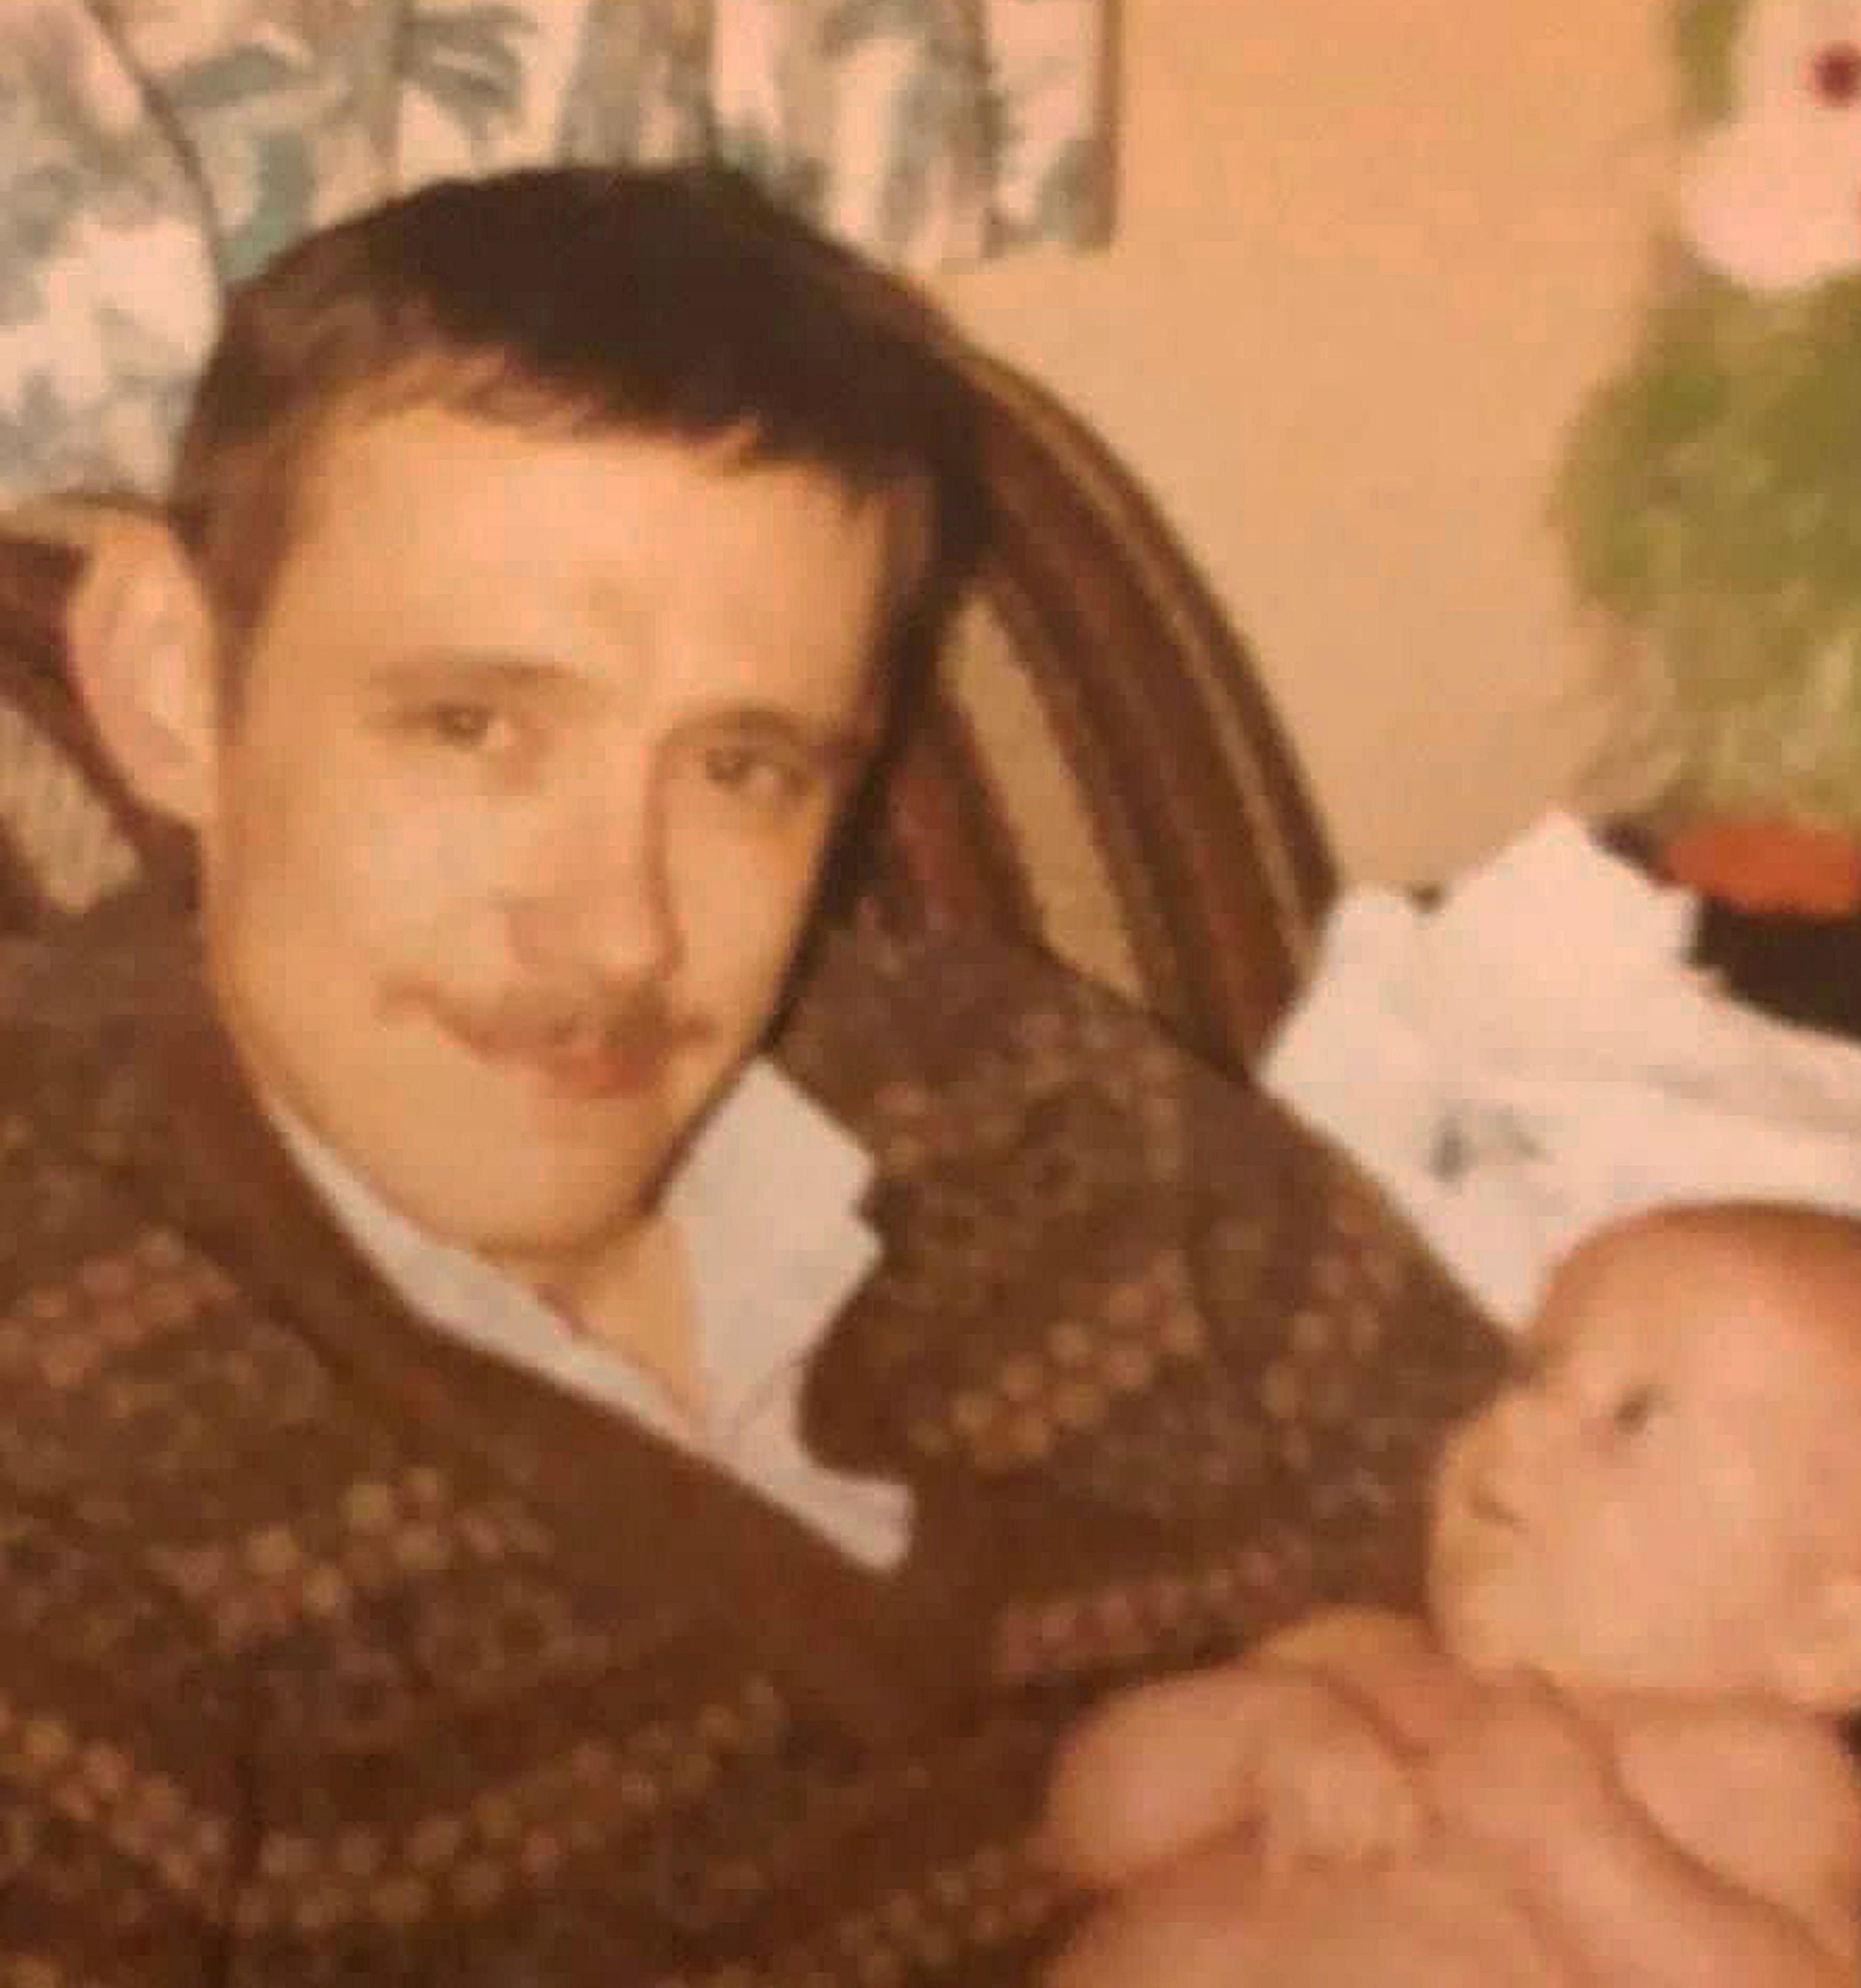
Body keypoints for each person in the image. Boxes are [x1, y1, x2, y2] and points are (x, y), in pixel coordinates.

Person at [0, 165, 1506, 1983]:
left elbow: (1768, 1594)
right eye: (477, 727)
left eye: (744, 768)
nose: (626, 937)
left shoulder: (1035, 1104)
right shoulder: (64, 1361)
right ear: (171, 684)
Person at [1042, 1201, 1861, 1988]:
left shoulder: (1755, 1777)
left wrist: (1584, 1847)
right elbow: (1086, 1831)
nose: (1516, 1417)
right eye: (1534, 1369)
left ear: (1833, 1640)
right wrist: (1255, 1742)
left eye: (1634, 1418)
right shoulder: (1350, 1662)